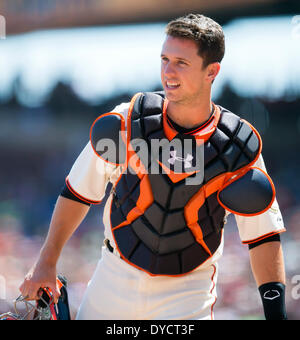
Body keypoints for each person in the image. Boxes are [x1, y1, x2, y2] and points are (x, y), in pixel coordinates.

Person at [19, 13, 287, 320]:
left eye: (181, 63)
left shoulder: (237, 146)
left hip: (187, 295)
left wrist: (275, 315)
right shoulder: (128, 121)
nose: (168, 72)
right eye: (164, 59)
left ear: (211, 71)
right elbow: (77, 192)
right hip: (113, 281)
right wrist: (46, 263)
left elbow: (263, 237)